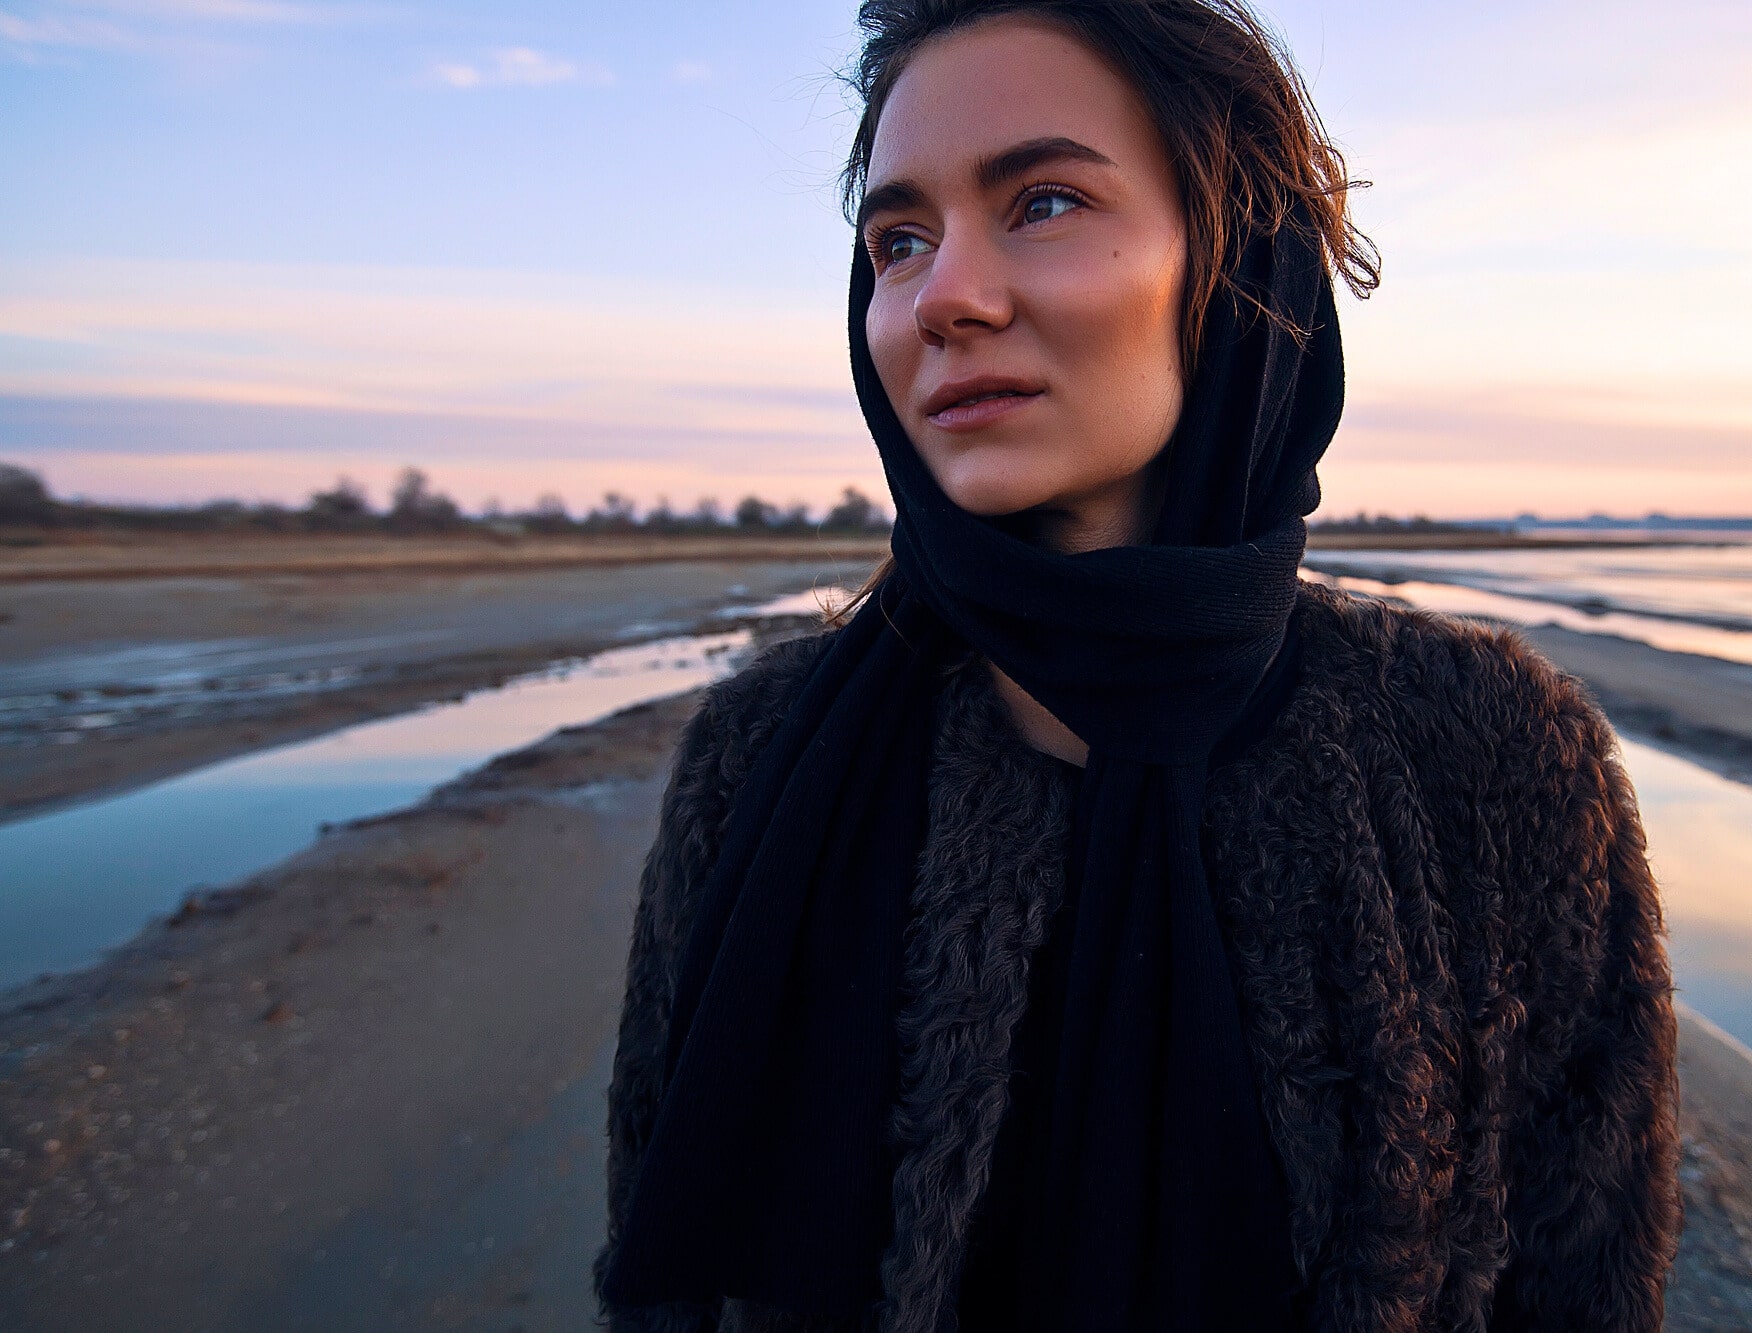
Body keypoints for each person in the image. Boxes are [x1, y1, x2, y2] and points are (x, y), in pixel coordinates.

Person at [595, 1, 1682, 1329]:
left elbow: (1586, 1282)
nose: (944, 298)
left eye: (1045, 200)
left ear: (1238, 261)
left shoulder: (1486, 748)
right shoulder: (759, 758)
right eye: (898, 240)